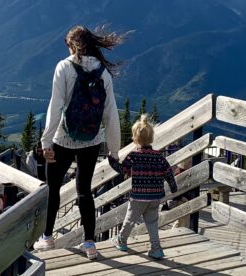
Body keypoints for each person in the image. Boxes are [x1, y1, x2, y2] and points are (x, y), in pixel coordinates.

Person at [34, 26, 123, 260]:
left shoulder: (64, 67)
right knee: (84, 190)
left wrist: (46, 142)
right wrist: (114, 149)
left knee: (53, 189)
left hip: (63, 137)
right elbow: (110, 113)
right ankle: (90, 243)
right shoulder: (102, 72)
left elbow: (56, 106)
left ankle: (47, 237)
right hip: (92, 140)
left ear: (72, 44)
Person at [109, 115, 177, 259]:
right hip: (155, 197)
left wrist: (111, 160)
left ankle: (121, 241)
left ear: (135, 138)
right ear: (151, 138)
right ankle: (156, 248)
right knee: (152, 223)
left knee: (130, 220)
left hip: (138, 196)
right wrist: (173, 187)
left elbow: (123, 170)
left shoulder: (133, 155)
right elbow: (168, 171)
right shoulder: (159, 156)